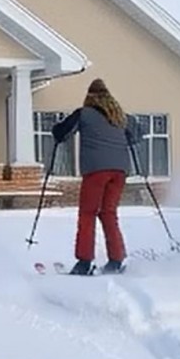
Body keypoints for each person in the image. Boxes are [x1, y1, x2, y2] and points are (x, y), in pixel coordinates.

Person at [51, 78, 139, 275]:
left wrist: (55, 128)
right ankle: (116, 260)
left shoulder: (84, 114)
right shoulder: (122, 117)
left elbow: (61, 133)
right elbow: (137, 136)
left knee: (87, 213)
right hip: (120, 171)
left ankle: (84, 262)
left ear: (90, 97)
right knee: (108, 213)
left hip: (96, 171)